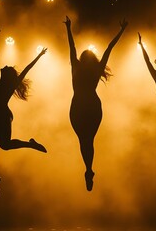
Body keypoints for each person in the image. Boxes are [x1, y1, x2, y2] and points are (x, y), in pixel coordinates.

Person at [0, 29, 47, 198]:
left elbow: (25, 70)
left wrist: (39, 56)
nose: (6, 65)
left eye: (7, 67)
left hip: (0, 117)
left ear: (7, 74)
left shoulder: (2, 83)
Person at [64, 16, 128, 191]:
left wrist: (69, 28)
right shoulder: (91, 68)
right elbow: (107, 48)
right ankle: (89, 170)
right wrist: (121, 31)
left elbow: (74, 47)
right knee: (87, 140)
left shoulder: (77, 67)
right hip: (89, 105)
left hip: (80, 106)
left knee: (85, 140)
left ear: (85, 58)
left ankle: (89, 169)